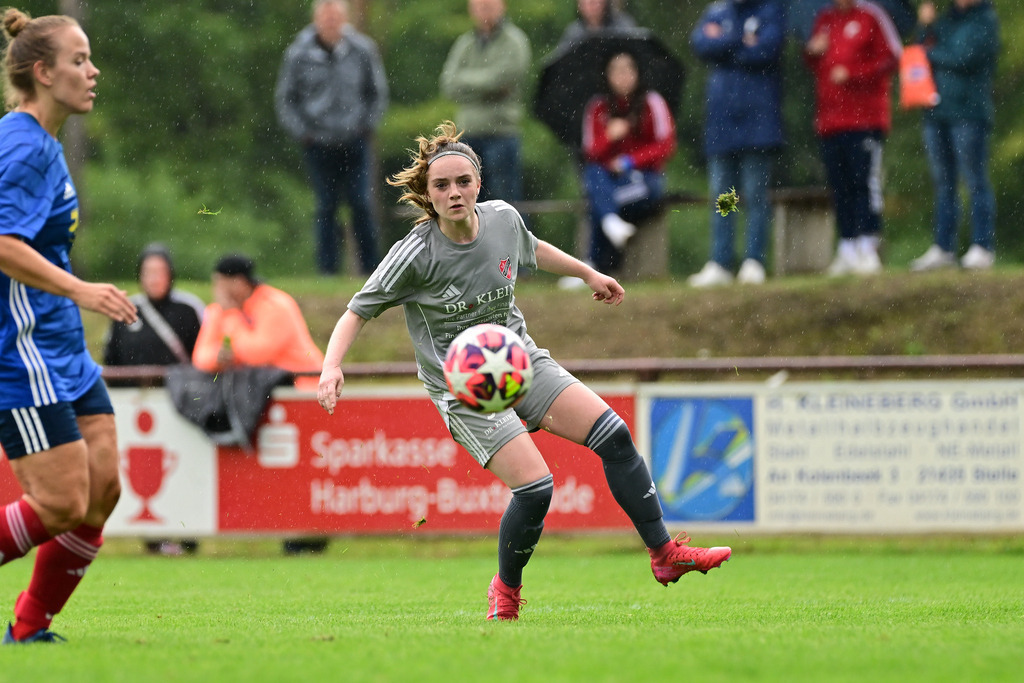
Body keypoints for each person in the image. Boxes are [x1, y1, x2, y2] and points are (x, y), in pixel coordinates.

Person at [317, 121, 730, 621]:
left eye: (463, 181)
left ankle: (665, 554)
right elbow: (357, 310)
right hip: (464, 388)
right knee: (536, 489)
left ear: (478, 183)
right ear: (428, 194)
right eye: (441, 185)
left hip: (519, 360)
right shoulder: (415, 253)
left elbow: (532, 249)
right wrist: (331, 366)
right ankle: (506, 590)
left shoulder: (503, 219)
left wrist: (588, 273)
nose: (454, 192)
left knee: (615, 436)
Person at [0, 8, 139, 644]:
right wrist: (82, 290)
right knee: (59, 503)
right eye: (79, 60)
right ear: (42, 72)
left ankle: (29, 629)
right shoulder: (22, 146)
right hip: (21, 351)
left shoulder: (44, 144)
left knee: (100, 492)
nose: (93, 71)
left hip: (61, 347)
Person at [102, 243, 204, 556]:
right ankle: (154, 538)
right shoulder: (126, 310)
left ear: (171, 274)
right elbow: (111, 360)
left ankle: (188, 533)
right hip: (138, 410)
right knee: (143, 474)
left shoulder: (189, 309)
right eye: (148, 272)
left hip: (180, 406)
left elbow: (202, 356)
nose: (154, 278)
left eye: (160, 272)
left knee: (183, 470)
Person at [274, 0, 389, 276]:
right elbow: (286, 99)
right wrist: (304, 133)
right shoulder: (298, 54)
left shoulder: (362, 50)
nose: (331, 21)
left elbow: (377, 93)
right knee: (326, 207)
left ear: (345, 18)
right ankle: (327, 271)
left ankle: (372, 270)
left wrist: (366, 127)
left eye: (336, 16)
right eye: (326, 16)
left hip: (355, 141)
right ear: (316, 19)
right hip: (318, 144)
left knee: (361, 204)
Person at [687, 0, 786, 288]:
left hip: (759, 120)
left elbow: (766, 51)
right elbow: (701, 44)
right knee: (724, 196)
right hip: (722, 122)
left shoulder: (770, 10)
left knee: (755, 194)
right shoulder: (718, 11)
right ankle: (722, 261)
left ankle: (754, 260)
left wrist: (724, 43)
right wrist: (741, 40)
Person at [804, 0, 901, 276]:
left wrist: (854, 74)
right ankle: (847, 246)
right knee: (840, 185)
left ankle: (868, 245)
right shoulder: (825, 20)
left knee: (864, 182)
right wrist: (812, 53)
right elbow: (815, 65)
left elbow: (892, 58)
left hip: (864, 119)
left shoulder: (871, 17)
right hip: (830, 120)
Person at [908, 0, 999, 272]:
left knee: (975, 180)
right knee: (943, 183)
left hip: (969, 113)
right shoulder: (944, 21)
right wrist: (925, 26)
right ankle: (943, 247)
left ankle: (982, 246)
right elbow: (918, 53)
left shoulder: (985, 20)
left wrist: (931, 53)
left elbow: (964, 58)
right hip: (937, 112)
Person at [577, 52, 676, 277]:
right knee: (594, 173)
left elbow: (666, 145)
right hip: (610, 179)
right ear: (608, 75)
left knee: (599, 202)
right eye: (616, 71)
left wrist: (631, 161)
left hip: (645, 180)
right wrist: (609, 137)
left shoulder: (652, 102)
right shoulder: (598, 107)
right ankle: (607, 243)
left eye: (627, 70)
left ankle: (594, 264)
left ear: (637, 73)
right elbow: (590, 152)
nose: (623, 76)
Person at [440, 0, 531, 206]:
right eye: (479, 4)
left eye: (489, 4)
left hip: (502, 134)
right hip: (467, 136)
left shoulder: (515, 41)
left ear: (502, 5)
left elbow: (505, 78)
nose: (484, 8)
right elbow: (448, 84)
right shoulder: (465, 44)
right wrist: (487, 85)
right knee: (468, 204)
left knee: (505, 204)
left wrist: (467, 83)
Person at [192, 254, 324, 392]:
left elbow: (257, 355)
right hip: (258, 389)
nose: (216, 290)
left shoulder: (274, 305)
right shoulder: (217, 310)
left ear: (239, 282)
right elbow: (200, 357)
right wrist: (218, 358)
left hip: (301, 387)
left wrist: (232, 315)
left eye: (220, 283)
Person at [557, 0, 637, 51]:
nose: (591, 6)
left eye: (594, 2)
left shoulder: (622, 26)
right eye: (586, 2)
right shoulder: (574, 33)